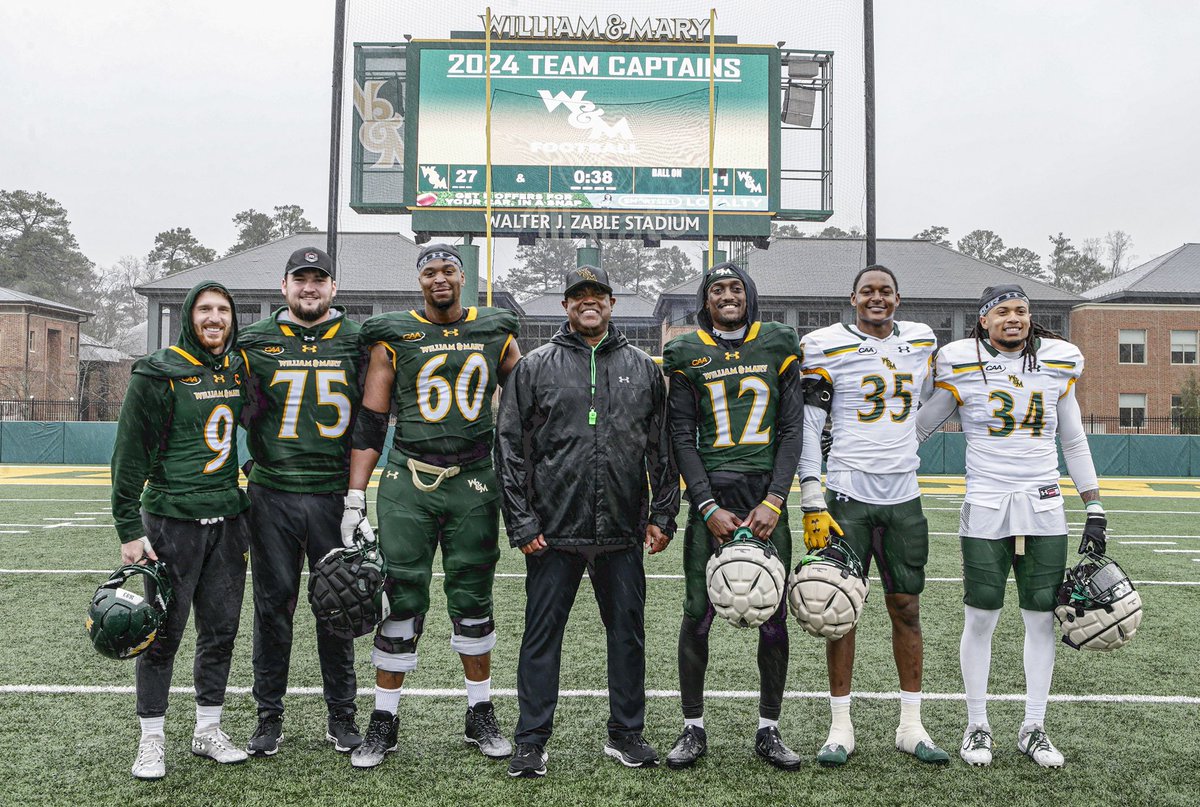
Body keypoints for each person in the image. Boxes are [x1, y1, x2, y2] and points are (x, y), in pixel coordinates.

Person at [342, 243, 521, 769]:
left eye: (447, 270)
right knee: (399, 597)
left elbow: (529, 396)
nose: (438, 279)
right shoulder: (394, 336)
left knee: (473, 596)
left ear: (462, 277)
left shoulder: (496, 329)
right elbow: (372, 421)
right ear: (418, 280)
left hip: (473, 477)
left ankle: (479, 711)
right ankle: (384, 717)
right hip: (408, 477)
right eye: (429, 272)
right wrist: (356, 496)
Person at [496, 265, 679, 779]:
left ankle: (626, 734)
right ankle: (531, 740)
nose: (588, 303)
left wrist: (662, 512)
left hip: (622, 528)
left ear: (612, 303)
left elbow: (660, 445)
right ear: (566, 305)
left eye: (597, 295)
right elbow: (510, 446)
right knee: (540, 637)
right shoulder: (535, 366)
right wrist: (523, 522)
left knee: (627, 635)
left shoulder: (643, 367)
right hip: (554, 530)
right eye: (578, 296)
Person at [915, 283, 1107, 769]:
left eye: (1021, 310)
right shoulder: (959, 361)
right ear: (984, 320)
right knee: (980, 616)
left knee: (1041, 619)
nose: (1014, 318)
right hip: (985, 502)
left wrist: (1095, 506)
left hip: (1044, 504)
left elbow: (1075, 442)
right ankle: (977, 723)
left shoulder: (1058, 362)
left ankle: (1033, 726)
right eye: (1003, 311)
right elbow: (920, 425)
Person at [798, 265, 949, 766]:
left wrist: (916, 437)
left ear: (898, 299)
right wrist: (812, 495)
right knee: (840, 611)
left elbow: (941, 395)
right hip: (847, 491)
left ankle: (911, 725)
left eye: (885, 291)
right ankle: (840, 727)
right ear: (853, 298)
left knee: (906, 606)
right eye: (868, 292)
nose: (876, 298)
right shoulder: (825, 344)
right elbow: (810, 420)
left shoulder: (923, 340)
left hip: (904, 492)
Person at [659, 261, 804, 771]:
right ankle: (692, 727)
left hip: (765, 498)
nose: (727, 295)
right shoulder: (685, 351)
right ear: (705, 299)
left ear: (749, 295)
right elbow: (680, 435)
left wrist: (775, 501)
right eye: (717, 288)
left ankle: (769, 729)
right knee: (697, 613)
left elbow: (791, 430)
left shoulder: (779, 342)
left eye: (735, 287)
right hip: (712, 499)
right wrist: (704, 505)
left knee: (773, 615)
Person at [110, 281, 251, 780]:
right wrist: (129, 527)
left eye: (223, 310)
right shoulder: (159, 371)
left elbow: (264, 423)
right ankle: (151, 739)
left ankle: (207, 729)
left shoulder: (237, 367)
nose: (215, 318)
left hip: (229, 520)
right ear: (190, 315)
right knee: (164, 633)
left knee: (220, 631)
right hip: (172, 521)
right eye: (205, 309)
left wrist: (255, 473)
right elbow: (128, 455)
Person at [238, 247, 366, 757]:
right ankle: (268, 717)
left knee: (339, 605)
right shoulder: (253, 341)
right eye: (301, 279)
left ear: (334, 288)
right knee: (273, 609)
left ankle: (342, 715)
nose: (309, 287)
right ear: (284, 286)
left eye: (320, 279)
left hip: (334, 494)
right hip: (273, 495)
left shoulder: (358, 339)